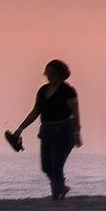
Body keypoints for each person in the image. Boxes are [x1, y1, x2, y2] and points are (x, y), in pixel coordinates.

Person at [9, 59, 82, 200]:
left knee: (56, 165)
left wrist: (76, 132)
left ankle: (57, 195)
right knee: (46, 167)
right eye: (47, 73)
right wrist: (20, 129)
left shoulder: (68, 91)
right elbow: (35, 112)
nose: (49, 76)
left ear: (61, 74)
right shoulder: (42, 90)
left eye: (52, 73)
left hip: (64, 131)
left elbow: (76, 113)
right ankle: (61, 187)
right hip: (47, 132)